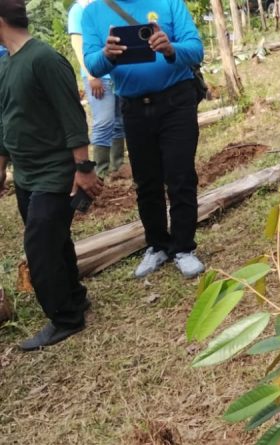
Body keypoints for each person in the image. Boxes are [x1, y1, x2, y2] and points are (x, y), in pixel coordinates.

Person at [0, 0, 102, 350]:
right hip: (26, 177)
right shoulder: (7, 64)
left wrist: (83, 168)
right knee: (56, 242)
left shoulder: (44, 59)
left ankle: (65, 319)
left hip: (54, 174)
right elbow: (5, 121)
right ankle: (75, 297)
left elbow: (71, 116)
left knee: (39, 249)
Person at [81, 0, 206, 278]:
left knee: (180, 175)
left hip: (176, 100)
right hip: (134, 107)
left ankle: (184, 247)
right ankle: (158, 244)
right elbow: (92, 63)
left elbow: (196, 47)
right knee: (146, 181)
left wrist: (172, 48)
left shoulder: (170, 3)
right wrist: (107, 54)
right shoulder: (92, 13)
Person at [68, 0, 126, 178]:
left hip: (116, 73)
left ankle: (117, 165)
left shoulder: (106, 5)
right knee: (103, 122)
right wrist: (92, 77)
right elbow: (78, 47)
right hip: (97, 75)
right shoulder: (78, 10)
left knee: (119, 121)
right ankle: (100, 170)